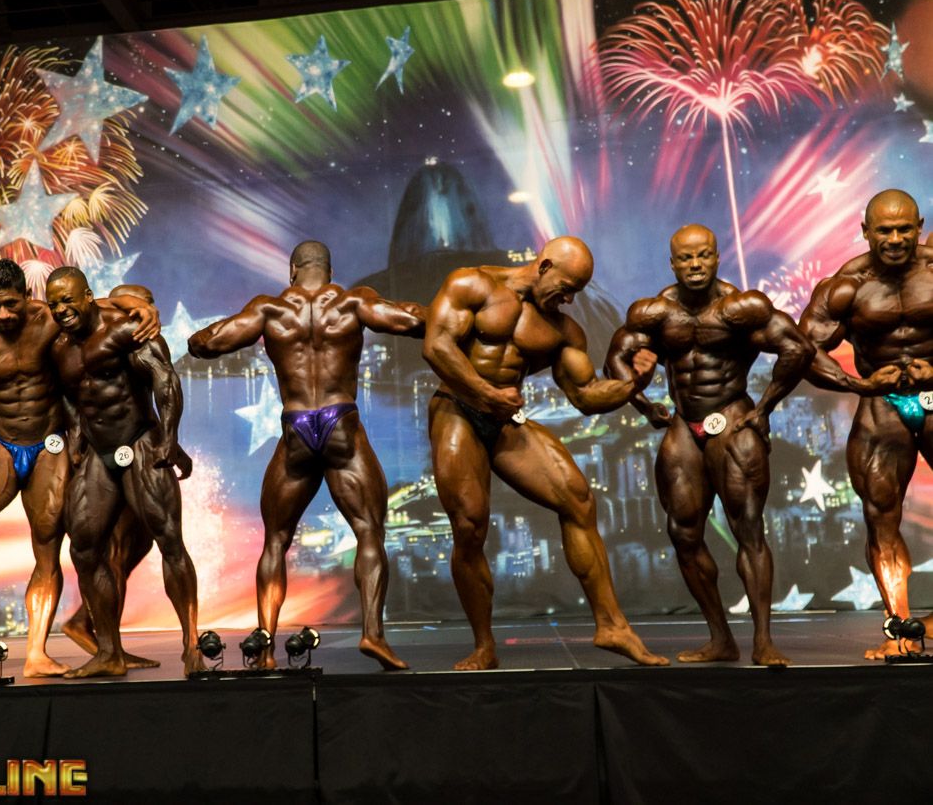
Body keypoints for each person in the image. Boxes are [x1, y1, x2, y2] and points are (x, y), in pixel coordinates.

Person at [423, 235, 668, 670]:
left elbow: (585, 395)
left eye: (577, 292)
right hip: (457, 408)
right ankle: (484, 646)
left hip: (505, 419)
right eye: (566, 287)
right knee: (469, 525)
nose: (570, 299)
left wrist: (634, 383)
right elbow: (437, 347)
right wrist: (486, 394)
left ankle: (612, 626)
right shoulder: (472, 284)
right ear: (544, 265)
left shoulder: (562, 331)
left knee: (578, 498)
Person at [0, 259, 156, 677]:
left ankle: (37, 652)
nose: (4, 314)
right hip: (1, 444)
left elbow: (102, 303)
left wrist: (142, 307)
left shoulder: (50, 319)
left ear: (27, 296)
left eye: (12, 304)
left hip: (51, 444)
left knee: (47, 541)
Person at [188, 240, 425, 670]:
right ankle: (372, 634)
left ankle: (265, 649)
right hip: (340, 423)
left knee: (276, 541)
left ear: (292, 270)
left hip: (295, 427)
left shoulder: (269, 310)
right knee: (368, 531)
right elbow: (412, 320)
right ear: (329, 271)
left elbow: (205, 344)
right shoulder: (354, 302)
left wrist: (200, 333)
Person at [605, 225, 813, 666]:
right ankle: (721, 638)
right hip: (684, 424)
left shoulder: (740, 309)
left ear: (717, 258)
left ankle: (763, 641)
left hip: (732, 417)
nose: (695, 265)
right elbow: (616, 357)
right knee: (682, 533)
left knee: (748, 528)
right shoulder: (657, 312)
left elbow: (797, 349)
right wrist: (644, 405)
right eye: (686, 258)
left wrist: (766, 408)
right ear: (672, 263)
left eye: (703, 255)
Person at [47, 267, 201, 677]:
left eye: (68, 300)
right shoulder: (59, 347)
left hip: (139, 441)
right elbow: (70, 396)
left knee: (169, 540)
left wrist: (169, 437)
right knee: (83, 547)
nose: (61, 309)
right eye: (54, 304)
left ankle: (191, 645)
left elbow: (164, 380)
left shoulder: (125, 330)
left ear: (88, 296)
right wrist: (75, 435)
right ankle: (109, 653)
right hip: (99, 453)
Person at [799, 189, 933, 659]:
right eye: (884, 230)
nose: (895, 239)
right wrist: (859, 384)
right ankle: (901, 632)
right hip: (883, 403)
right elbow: (803, 350)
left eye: (904, 229)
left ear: (919, 227)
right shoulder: (846, 286)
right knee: (881, 516)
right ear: (865, 231)